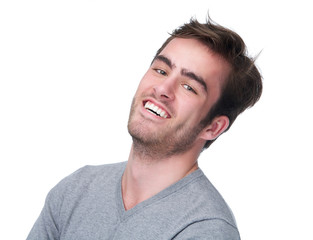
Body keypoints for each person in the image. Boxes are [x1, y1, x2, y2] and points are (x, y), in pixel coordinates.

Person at [27, 15, 262, 240]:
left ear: (213, 127)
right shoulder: (76, 189)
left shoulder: (206, 229)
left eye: (189, 87)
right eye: (161, 71)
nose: (162, 89)